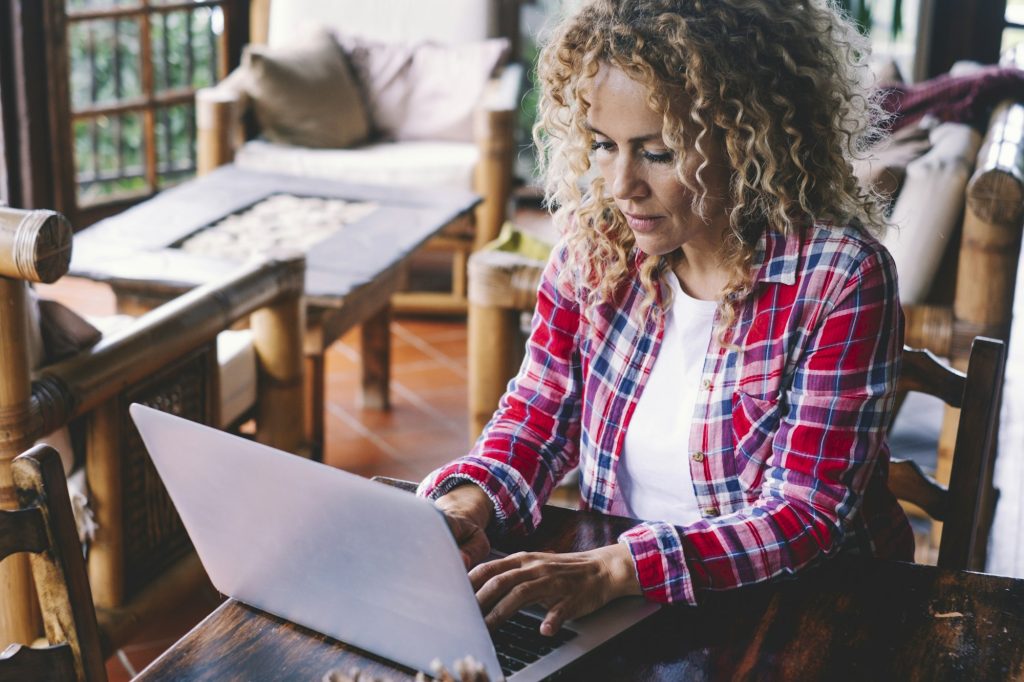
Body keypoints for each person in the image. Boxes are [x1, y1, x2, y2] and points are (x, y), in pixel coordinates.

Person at [418, 0, 914, 637]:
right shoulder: (593, 245)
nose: (621, 184)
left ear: (747, 137)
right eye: (602, 146)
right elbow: (539, 413)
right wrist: (468, 502)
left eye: (658, 153)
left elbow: (806, 514)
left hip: (802, 614)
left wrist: (614, 570)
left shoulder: (839, 278)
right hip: (633, 605)